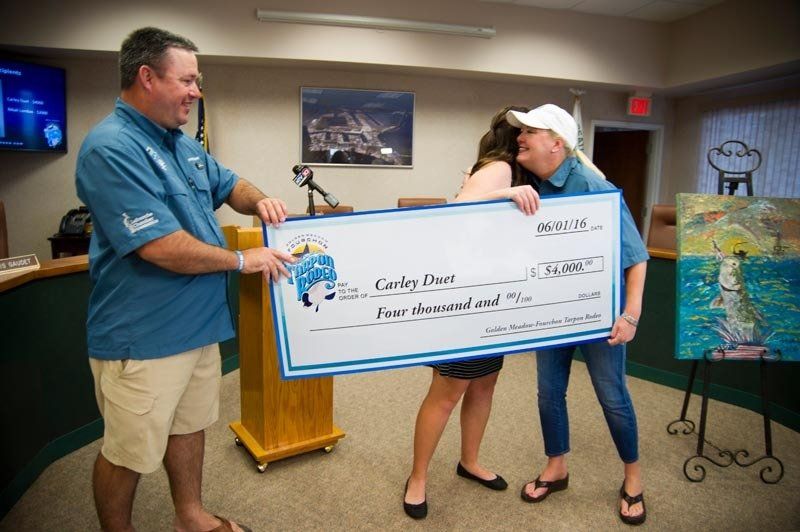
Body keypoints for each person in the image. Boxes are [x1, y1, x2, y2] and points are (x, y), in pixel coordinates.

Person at [75, 27, 295, 532]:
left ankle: (190, 516)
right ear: (146, 77)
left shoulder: (181, 145)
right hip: (144, 334)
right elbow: (159, 247)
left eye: (199, 81)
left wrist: (257, 199)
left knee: (190, 428)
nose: (197, 92)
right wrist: (243, 261)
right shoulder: (111, 147)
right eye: (188, 80)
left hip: (199, 327)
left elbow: (231, 183)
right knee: (127, 452)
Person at [504, 104, 649, 525]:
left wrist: (631, 315)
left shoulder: (591, 184)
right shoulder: (530, 185)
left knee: (611, 395)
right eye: (521, 131)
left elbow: (636, 257)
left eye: (530, 131)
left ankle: (634, 477)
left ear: (557, 143)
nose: (520, 137)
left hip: (599, 314)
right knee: (549, 392)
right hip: (553, 312)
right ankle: (557, 466)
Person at [402, 106, 541, 520]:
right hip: (466, 299)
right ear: (514, 137)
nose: (530, 139)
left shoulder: (508, 171)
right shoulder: (500, 169)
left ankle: (469, 461)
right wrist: (505, 193)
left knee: (484, 385)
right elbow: (457, 213)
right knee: (446, 393)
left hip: (489, 295)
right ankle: (418, 479)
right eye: (528, 132)